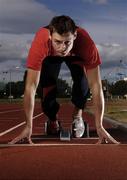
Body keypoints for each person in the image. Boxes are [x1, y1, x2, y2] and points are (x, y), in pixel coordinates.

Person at [9, 15, 119, 144]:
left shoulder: (86, 44)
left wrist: (99, 125)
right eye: (58, 42)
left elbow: (96, 85)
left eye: (67, 42)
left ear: (75, 36)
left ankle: (77, 115)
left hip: (76, 55)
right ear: (50, 36)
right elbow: (30, 87)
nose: (63, 48)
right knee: (46, 86)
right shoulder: (40, 43)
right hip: (50, 56)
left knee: (82, 81)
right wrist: (28, 126)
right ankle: (52, 118)